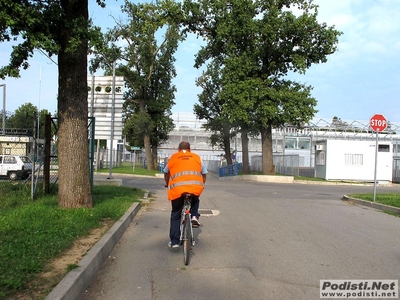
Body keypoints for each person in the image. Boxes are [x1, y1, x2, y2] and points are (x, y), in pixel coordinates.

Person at [163, 141, 207, 248]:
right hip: (194, 188)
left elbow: (166, 172)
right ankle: (195, 216)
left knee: (176, 214)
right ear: (190, 149)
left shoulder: (173, 157)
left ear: (178, 149)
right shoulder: (197, 158)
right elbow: (204, 173)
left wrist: (167, 183)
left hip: (177, 190)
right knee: (195, 200)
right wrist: (200, 184)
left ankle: (174, 241)